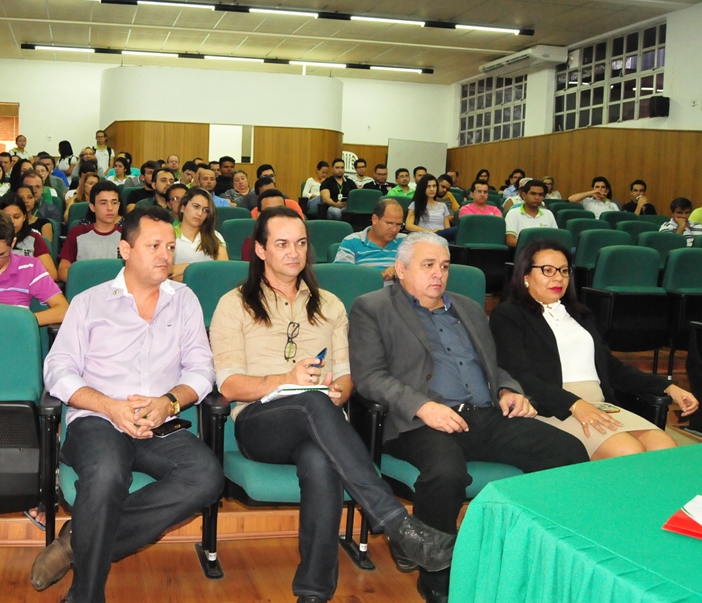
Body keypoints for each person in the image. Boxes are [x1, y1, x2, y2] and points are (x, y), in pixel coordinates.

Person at [210, 208, 455, 603]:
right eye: (282, 244)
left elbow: (346, 375)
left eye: (301, 243)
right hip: (260, 422)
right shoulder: (234, 304)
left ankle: (314, 592)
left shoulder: (330, 304)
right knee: (310, 400)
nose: (294, 252)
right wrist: (286, 380)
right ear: (260, 250)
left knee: (321, 461)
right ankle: (395, 522)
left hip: (322, 425)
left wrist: (339, 390)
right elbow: (229, 384)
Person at [350, 232, 589, 602]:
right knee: (446, 472)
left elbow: (495, 367)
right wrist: (423, 406)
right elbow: (370, 377)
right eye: (428, 265)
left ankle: (528, 554)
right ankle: (436, 574)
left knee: (568, 452)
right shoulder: (372, 307)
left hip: (484, 415)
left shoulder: (469, 308)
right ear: (401, 269)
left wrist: (508, 390)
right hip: (418, 422)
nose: (439, 274)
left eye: (444, 266)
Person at [33, 206, 224, 602]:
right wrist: (109, 406)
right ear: (125, 249)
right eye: (154, 246)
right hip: (99, 419)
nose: (165, 255)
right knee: (107, 476)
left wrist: (169, 402)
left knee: (206, 477)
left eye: (170, 247)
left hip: (161, 421)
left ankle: (80, 541)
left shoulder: (185, 300)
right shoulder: (89, 302)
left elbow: (202, 369)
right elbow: (58, 369)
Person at [490, 240, 697, 459]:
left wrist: (668, 387)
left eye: (563, 271)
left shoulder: (580, 314)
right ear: (525, 276)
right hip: (553, 408)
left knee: (665, 447)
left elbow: (612, 368)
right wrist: (574, 404)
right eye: (547, 270)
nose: (558, 278)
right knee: (628, 451)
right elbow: (518, 374)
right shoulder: (509, 315)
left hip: (600, 405)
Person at [58, 181, 122, 283]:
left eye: (114, 203)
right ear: (92, 207)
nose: (110, 208)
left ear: (119, 205)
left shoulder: (127, 234)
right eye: (103, 203)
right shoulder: (78, 233)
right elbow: (63, 269)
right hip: (85, 288)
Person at [335, 199, 406, 284]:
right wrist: (378, 276)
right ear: (375, 219)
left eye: (399, 224)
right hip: (365, 291)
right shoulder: (351, 242)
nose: (394, 229)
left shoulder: (407, 242)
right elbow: (342, 279)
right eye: (389, 223)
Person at [171, 187, 228, 282]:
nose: (200, 213)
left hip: (208, 287)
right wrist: (205, 270)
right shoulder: (168, 235)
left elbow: (223, 271)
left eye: (206, 210)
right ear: (183, 207)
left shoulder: (215, 236)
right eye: (196, 206)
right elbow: (165, 273)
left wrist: (187, 268)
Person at [0, 192, 57, 280]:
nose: (12, 222)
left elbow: (51, 273)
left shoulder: (34, 238)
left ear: (24, 217)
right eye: (7, 217)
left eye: (16, 217)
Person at [504, 179, 556, 248]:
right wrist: (535, 246)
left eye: (540, 195)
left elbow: (555, 238)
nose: (537, 198)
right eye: (533, 194)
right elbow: (510, 241)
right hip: (523, 252)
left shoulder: (548, 214)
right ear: (524, 195)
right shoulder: (513, 213)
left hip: (545, 251)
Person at [406, 175, 455, 241]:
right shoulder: (415, 204)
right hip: (423, 237)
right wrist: (431, 231)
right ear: (423, 188)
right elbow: (409, 226)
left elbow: (447, 229)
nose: (432, 189)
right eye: (428, 186)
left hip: (440, 237)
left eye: (434, 186)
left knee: (455, 230)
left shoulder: (443, 206)